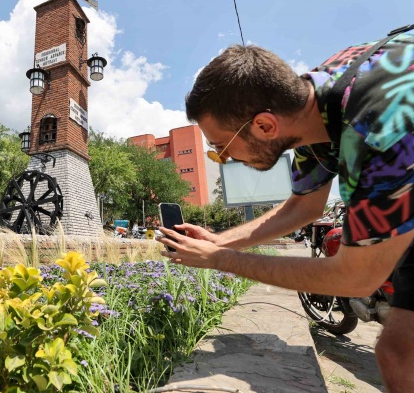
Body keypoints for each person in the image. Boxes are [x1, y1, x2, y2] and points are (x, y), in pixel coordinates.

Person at [157, 30, 414, 391]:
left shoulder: (375, 130)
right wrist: (220, 240)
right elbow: (302, 206)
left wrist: (219, 259)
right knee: (399, 352)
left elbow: (356, 278)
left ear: (264, 126)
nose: (225, 159)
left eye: (220, 148)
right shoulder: (314, 103)